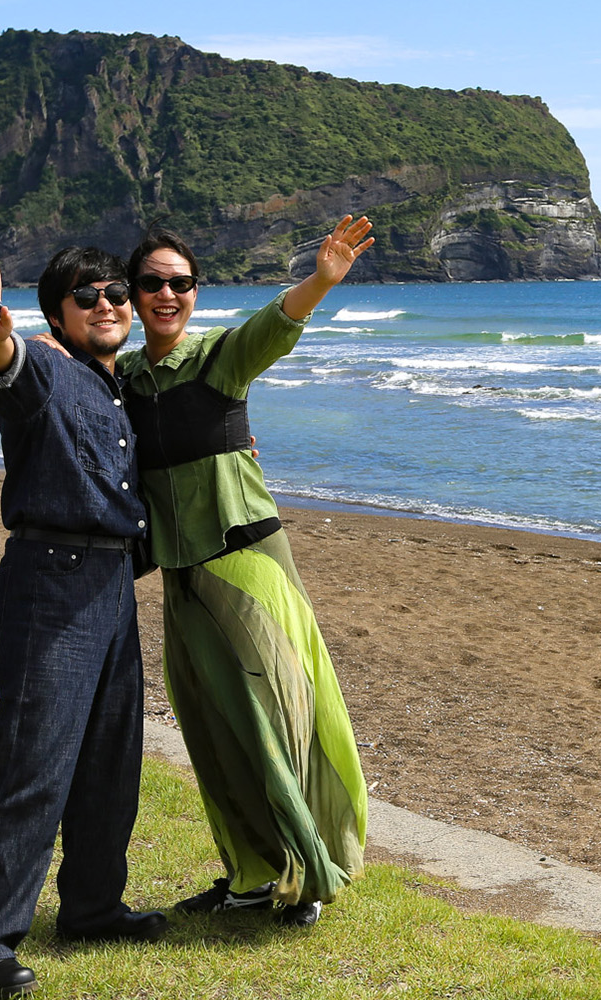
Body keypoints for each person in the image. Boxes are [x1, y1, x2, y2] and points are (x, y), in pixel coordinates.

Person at [116, 216, 375, 928]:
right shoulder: (124, 379)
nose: (167, 293)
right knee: (212, 725)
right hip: (181, 574)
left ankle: (308, 875)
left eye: (181, 283)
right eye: (152, 283)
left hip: (247, 562)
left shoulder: (220, 359)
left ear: (196, 293)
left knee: (275, 718)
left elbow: (276, 322)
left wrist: (321, 279)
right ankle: (252, 875)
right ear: (134, 295)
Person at [0, 249, 165, 998]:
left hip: (111, 581)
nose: (107, 305)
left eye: (115, 293)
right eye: (86, 296)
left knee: (111, 759)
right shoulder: (42, 366)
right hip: (52, 580)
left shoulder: (118, 385)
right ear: (56, 315)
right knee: (34, 763)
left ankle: (93, 909)